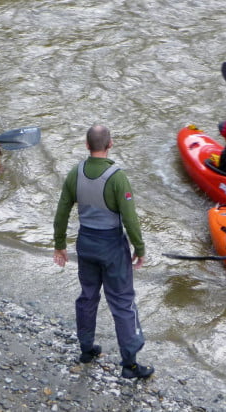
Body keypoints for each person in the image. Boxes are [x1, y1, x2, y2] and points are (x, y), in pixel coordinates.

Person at [53, 125, 154, 379]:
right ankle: (129, 364)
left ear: (87, 145)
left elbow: (62, 211)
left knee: (87, 297)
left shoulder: (75, 173)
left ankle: (87, 349)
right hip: (111, 247)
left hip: (85, 242)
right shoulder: (117, 177)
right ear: (110, 144)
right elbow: (130, 219)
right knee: (122, 301)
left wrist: (59, 244)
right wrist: (139, 248)